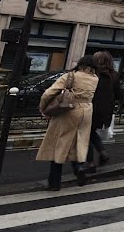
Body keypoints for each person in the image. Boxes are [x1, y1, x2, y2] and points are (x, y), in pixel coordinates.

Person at [36, 55, 98, 190]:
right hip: (87, 110)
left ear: (81, 64)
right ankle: (79, 166)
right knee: (79, 141)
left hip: (69, 110)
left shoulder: (72, 76)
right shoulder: (95, 79)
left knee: (60, 143)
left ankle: (54, 182)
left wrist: (43, 108)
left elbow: (48, 93)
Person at [86, 50, 118, 171]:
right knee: (91, 132)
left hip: (92, 108)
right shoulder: (114, 75)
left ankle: (90, 163)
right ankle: (102, 152)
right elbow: (118, 94)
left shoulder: (94, 74)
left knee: (86, 134)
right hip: (106, 110)